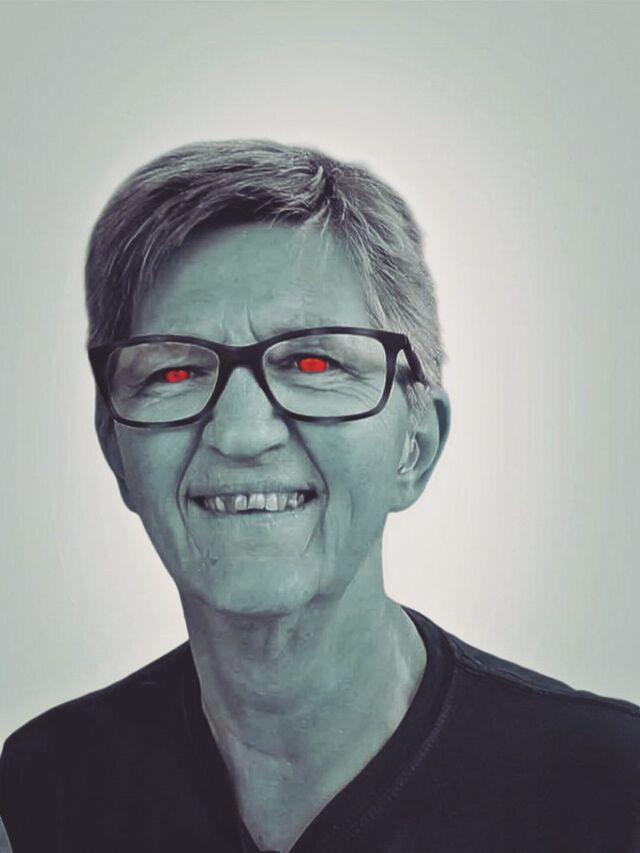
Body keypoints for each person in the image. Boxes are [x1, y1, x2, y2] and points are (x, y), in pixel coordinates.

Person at [0, 140, 638, 853]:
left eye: (312, 361)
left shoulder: (608, 792)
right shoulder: (45, 791)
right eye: (174, 372)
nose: (240, 433)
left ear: (416, 444)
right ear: (116, 451)